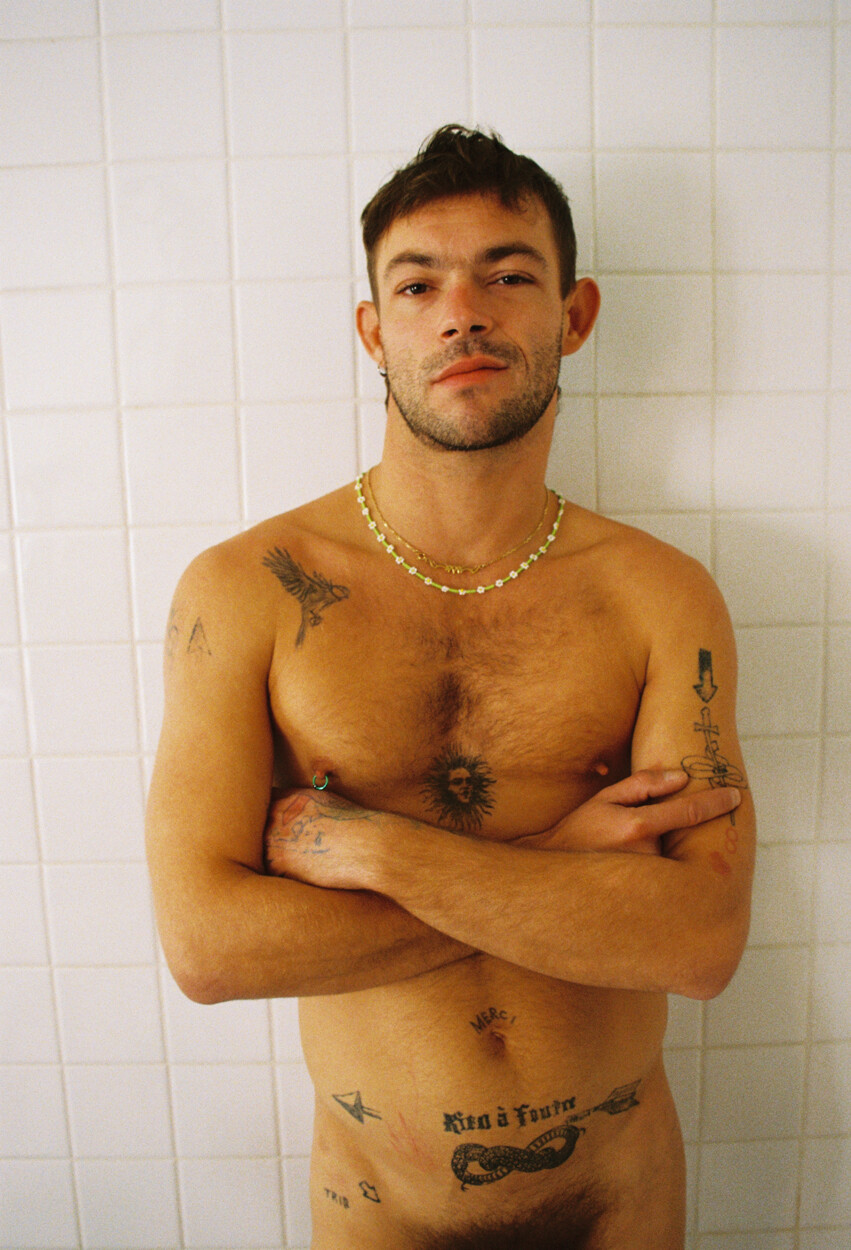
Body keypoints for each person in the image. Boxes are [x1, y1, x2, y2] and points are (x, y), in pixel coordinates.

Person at [146, 125, 755, 1249]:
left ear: (574, 315)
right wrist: (561, 860)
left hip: (617, 1200)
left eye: (506, 275)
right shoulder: (246, 592)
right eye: (418, 284)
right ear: (374, 332)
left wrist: (382, 851)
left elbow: (699, 940)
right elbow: (209, 948)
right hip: (377, 1209)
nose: (460, 313)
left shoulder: (658, 596)